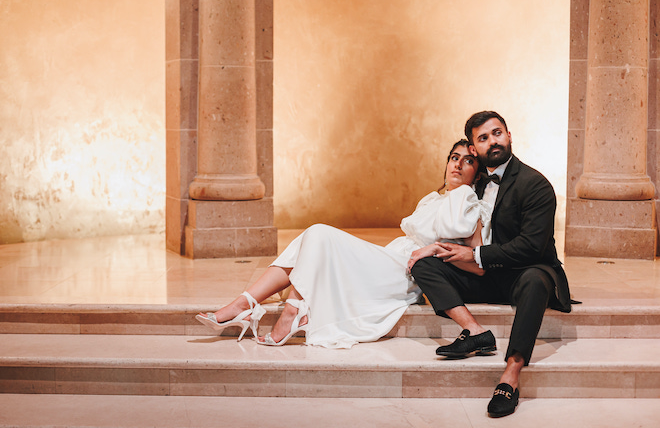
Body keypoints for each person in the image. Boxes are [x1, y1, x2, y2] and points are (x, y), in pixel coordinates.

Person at [196, 140, 492, 349]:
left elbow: (474, 257)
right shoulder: (432, 199)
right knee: (309, 240)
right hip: (392, 256)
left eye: (468, 161)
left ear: (477, 174)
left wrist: (436, 246)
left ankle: (287, 311)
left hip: (407, 272)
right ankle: (245, 303)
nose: (458, 164)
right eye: (454, 157)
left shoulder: (467, 200)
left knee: (319, 233)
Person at [411, 111, 572, 418]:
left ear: (509, 136)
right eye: (483, 138)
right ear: (474, 148)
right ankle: (474, 332)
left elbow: (531, 246)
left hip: (525, 272)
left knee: (537, 279)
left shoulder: (535, 184)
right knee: (425, 263)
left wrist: (476, 256)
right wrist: (438, 249)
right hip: (486, 276)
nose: (492, 141)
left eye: (497, 133)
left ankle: (511, 374)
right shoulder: (476, 184)